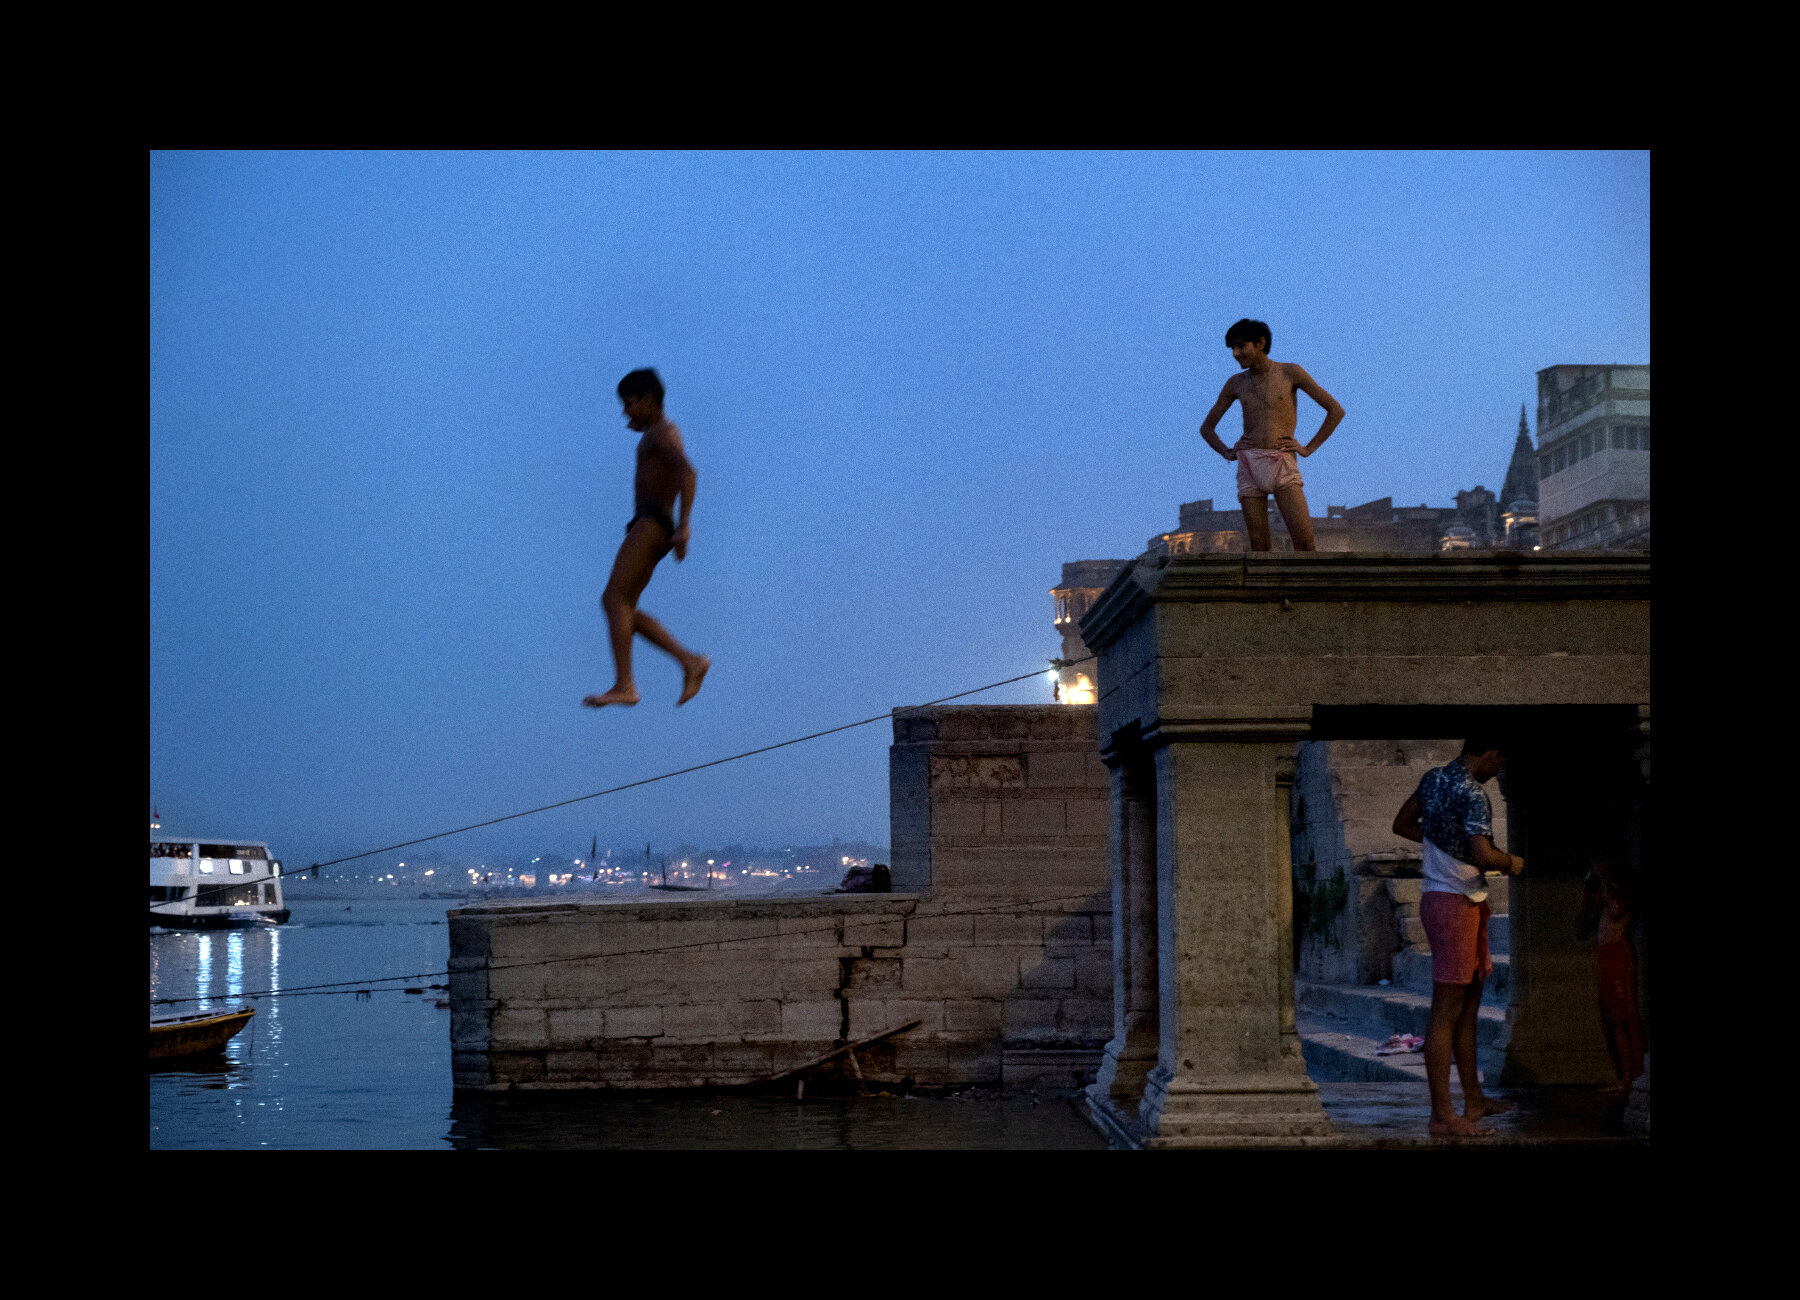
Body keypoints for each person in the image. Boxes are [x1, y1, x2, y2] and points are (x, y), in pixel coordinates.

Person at [1392, 739, 1525, 1138]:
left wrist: (1440, 844)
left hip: (1453, 900)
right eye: (1499, 762)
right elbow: (1484, 856)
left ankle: (1474, 1099)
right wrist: (1511, 862)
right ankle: (1442, 1115)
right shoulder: (1472, 793)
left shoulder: (1433, 779)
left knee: (1467, 1007)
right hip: (1453, 904)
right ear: (1491, 754)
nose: (1497, 772)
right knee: (1446, 1011)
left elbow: (1401, 824)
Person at [583, 368, 710, 709]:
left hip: (652, 523)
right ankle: (690, 661)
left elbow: (688, 471)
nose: (625, 411)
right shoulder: (655, 434)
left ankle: (626, 686)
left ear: (648, 399)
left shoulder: (660, 433)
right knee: (622, 608)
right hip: (653, 523)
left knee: (613, 599)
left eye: (629, 404)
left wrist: (685, 526)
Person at [1197, 318, 1345, 551]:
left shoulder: (1290, 373)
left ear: (1260, 343)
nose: (1235, 353)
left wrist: (1308, 448)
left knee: (1305, 543)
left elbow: (1335, 411)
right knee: (1259, 546)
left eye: (1240, 346)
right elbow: (1207, 428)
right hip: (1249, 464)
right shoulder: (1235, 383)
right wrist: (1227, 451)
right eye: (1232, 348)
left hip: (1282, 461)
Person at [1578, 849, 1647, 1094]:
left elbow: (1619, 909)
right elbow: (1584, 921)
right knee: (1614, 1018)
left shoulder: (1623, 886)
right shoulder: (1602, 888)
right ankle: (1626, 1076)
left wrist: (1606, 881)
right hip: (1605, 954)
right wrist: (1591, 887)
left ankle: (1636, 1075)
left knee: (1628, 1017)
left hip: (1619, 953)